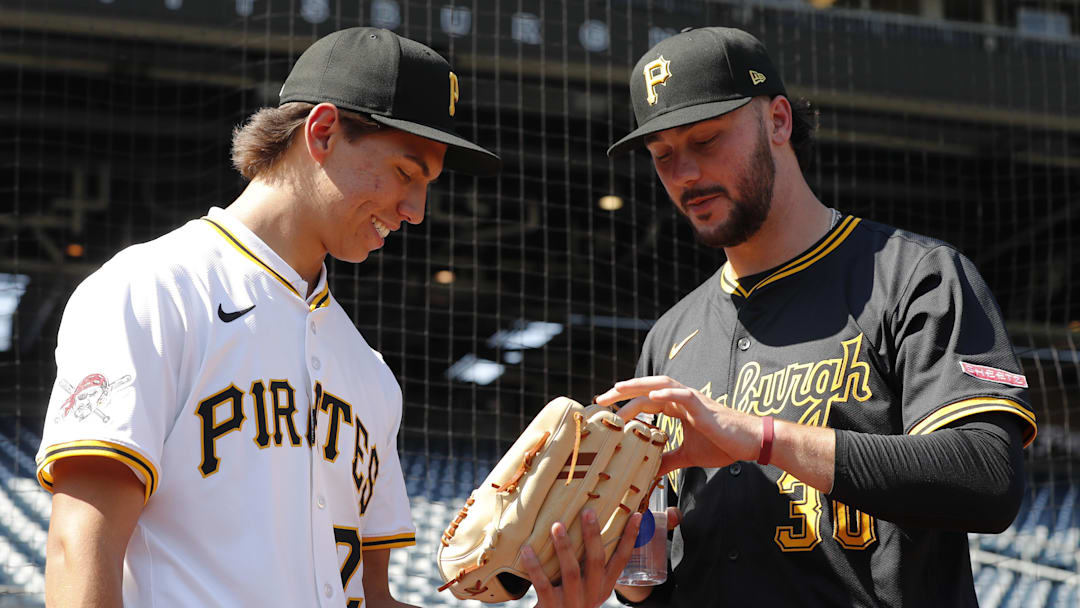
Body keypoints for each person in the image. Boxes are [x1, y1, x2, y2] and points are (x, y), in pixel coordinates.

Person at [37, 27, 500, 607]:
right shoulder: (154, 291)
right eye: (407, 173)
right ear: (323, 131)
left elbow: (372, 597)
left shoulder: (370, 372)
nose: (415, 211)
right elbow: (80, 546)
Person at [589, 27, 1035, 607]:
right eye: (663, 155)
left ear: (778, 121)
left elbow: (987, 478)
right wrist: (629, 572)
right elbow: (663, 573)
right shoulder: (669, 337)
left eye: (705, 139)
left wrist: (762, 438)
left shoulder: (913, 276)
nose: (686, 174)